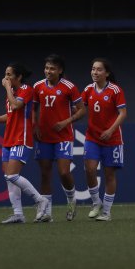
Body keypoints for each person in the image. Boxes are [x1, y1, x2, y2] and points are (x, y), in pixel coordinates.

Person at [0, 63, 48, 224]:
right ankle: (18, 214)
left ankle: (40, 200)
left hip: (21, 138)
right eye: (5, 74)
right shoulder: (13, 92)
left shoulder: (26, 89)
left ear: (19, 77)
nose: (6, 77)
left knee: (12, 175)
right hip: (8, 139)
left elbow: (16, 105)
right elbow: (11, 114)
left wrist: (7, 88)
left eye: (10, 74)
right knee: (8, 177)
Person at [33, 54, 86, 222]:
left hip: (63, 136)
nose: (48, 71)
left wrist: (66, 122)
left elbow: (82, 110)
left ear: (60, 70)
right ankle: (45, 213)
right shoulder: (38, 86)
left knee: (63, 172)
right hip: (44, 137)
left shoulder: (69, 87)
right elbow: (33, 109)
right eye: (47, 68)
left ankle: (72, 201)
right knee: (45, 173)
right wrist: (35, 126)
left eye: (52, 68)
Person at [82, 58, 127, 221]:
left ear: (106, 73)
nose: (95, 72)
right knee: (90, 169)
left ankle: (106, 212)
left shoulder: (115, 90)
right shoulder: (88, 89)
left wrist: (110, 130)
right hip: (92, 137)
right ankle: (96, 202)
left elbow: (123, 113)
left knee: (109, 175)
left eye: (99, 69)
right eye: (93, 69)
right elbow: (80, 109)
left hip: (112, 138)